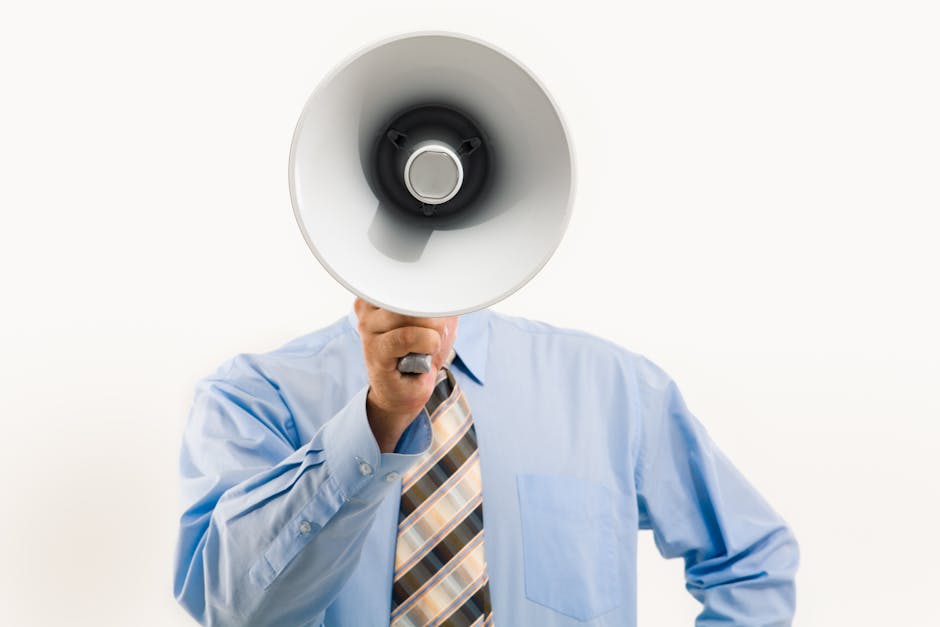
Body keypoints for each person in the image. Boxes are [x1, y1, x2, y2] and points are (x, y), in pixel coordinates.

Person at [173, 298, 799, 626]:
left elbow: (750, 559)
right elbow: (234, 612)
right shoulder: (253, 399)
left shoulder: (612, 387)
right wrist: (377, 420)